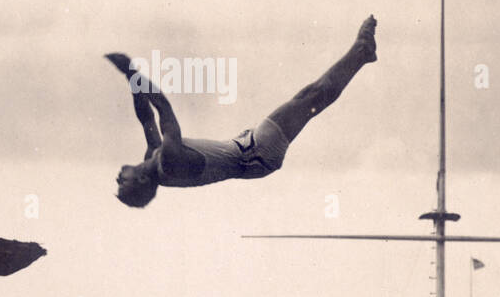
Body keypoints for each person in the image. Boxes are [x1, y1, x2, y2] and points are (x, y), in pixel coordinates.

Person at [107, 16, 377, 208]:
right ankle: (361, 51)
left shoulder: (153, 158)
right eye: (124, 184)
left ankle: (362, 53)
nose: (119, 177)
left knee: (309, 100)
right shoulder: (170, 159)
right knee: (310, 98)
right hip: (255, 153)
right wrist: (132, 72)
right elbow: (162, 108)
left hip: (248, 154)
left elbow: (146, 118)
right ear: (142, 179)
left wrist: (132, 82)